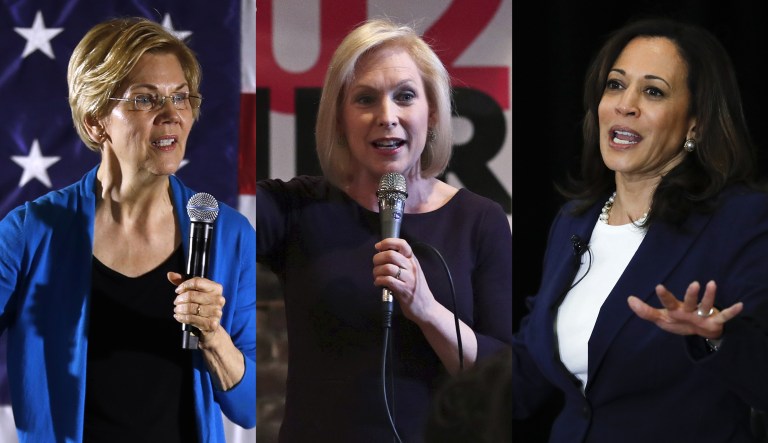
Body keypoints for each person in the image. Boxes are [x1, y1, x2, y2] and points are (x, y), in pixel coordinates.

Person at [512, 17, 768, 442]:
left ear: (695, 124)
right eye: (615, 85)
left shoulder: (739, 221)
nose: (624, 104)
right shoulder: (574, 221)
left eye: (653, 91)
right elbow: (528, 372)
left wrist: (717, 339)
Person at [256, 18, 512, 442]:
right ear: (339, 118)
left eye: (405, 97)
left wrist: (426, 309)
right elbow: (206, 209)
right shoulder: (295, 208)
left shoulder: (479, 220)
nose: (386, 116)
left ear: (431, 113)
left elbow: (502, 375)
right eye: (365, 99)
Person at [0, 17, 255, 442]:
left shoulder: (228, 233)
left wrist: (213, 337)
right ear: (97, 119)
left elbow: (246, 409)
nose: (171, 114)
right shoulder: (30, 232)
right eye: (145, 99)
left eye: (181, 97)